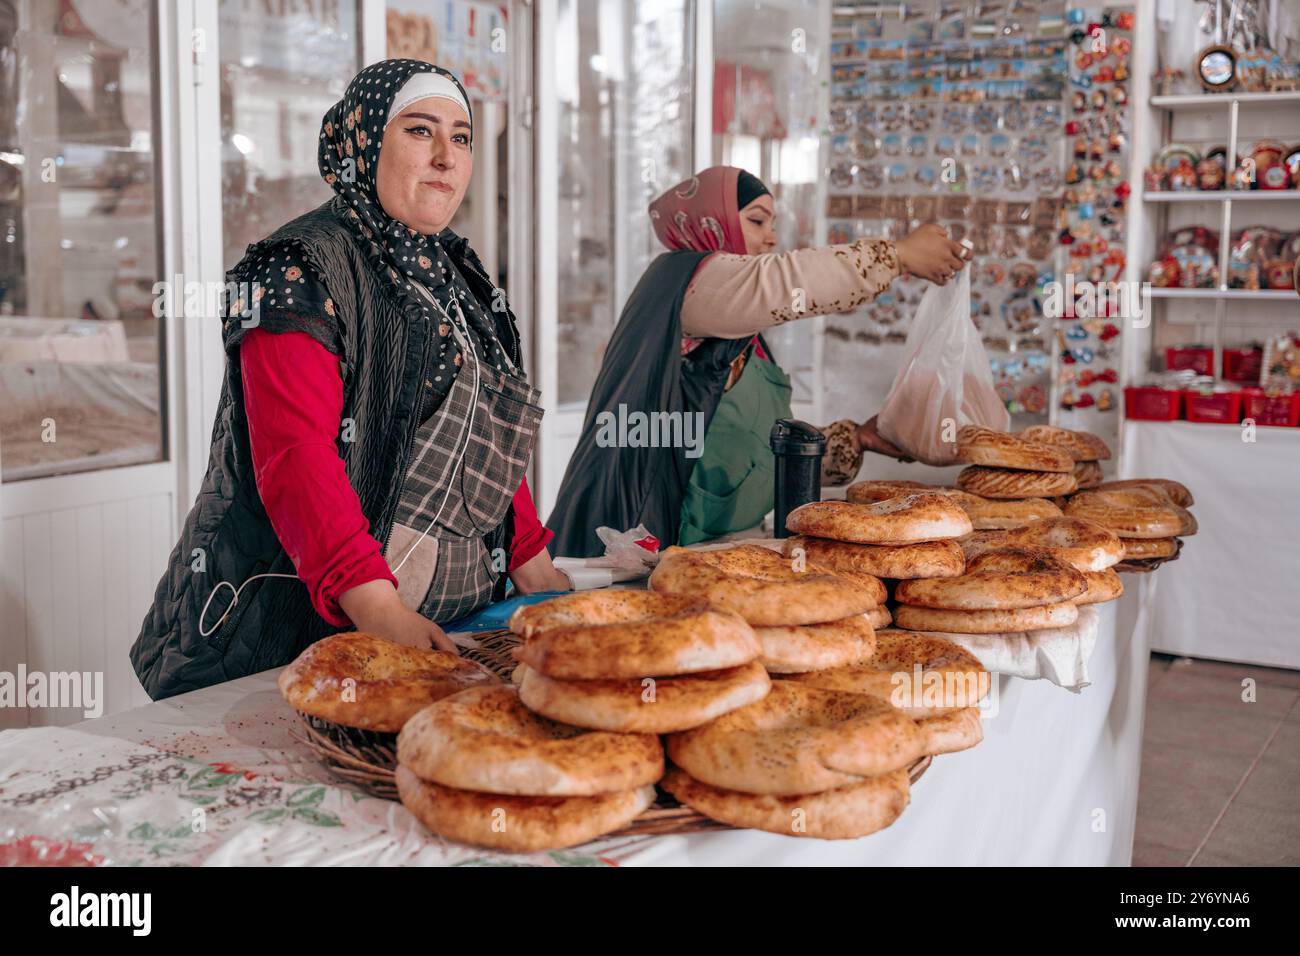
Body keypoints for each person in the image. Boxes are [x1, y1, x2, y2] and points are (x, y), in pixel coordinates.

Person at [132, 60, 568, 700]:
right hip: (296, 633)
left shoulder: (457, 276)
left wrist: (534, 567)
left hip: (447, 629)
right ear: (363, 140)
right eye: (420, 132)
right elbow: (295, 459)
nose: (447, 158)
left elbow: (489, 438)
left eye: (462, 136)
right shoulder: (300, 267)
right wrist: (380, 611)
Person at [547, 165, 968, 557]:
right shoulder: (686, 280)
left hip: (704, 552)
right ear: (710, 223)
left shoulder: (738, 329)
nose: (771, 238)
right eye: (756, 220)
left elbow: (743, 443)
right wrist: (894, 256)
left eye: (773, 224)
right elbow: (784, 282)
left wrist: (855, 439)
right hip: (624, 546)